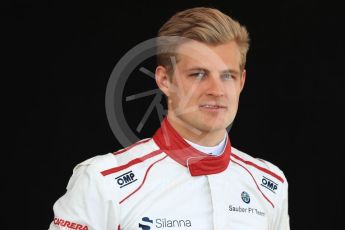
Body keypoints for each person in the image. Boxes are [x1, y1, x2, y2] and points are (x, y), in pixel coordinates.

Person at [49, 7, 289, 230]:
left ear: (242, 82)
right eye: (198, 74)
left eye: (227, 76)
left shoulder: (271, 184)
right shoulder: (102, 182)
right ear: (164, 80)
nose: (216, 90)